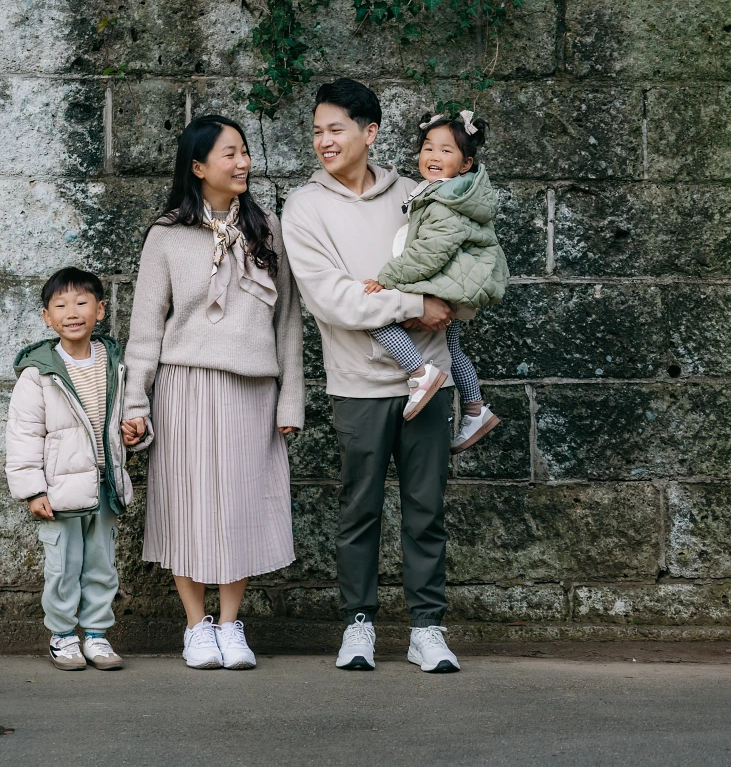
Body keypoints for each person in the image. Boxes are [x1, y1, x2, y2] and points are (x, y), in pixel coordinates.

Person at [281, 78, 462, 674]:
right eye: (316, 132)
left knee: (425, 508)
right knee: (358, 508)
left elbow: (457, 276)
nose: (324, 141)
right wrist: (412, 304)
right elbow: (334, 301)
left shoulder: (415, 195)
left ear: (370, 132)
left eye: (336, 129)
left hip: (430, 376)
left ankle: (426, 628)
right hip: (358, 384)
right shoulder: (304, 208)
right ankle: (358, 624)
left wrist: (405, 296)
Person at [121, 114, 305, 670]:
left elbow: (289, 322)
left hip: (252, 389)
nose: (242, 161)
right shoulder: (166, 236)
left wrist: (290, 399)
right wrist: (135, 401)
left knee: (241, 502)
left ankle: (231, 624)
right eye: (229, 153)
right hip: (184, 386)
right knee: (187, 501)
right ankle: (195, 626)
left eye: (245, 151)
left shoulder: (267, 229)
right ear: (198, 167)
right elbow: (145, 327)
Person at [4, 267, 150, 671]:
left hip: (105, 486)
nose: (73, 312)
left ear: (100, 310)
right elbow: (23, 435)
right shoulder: (38, 374)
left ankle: (98, 636)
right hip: (60, 493)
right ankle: (64, 636)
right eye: (61, 305)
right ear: (47, 318)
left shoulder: (117, 365)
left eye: (82, 302)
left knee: (102, 566)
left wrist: (139, 432)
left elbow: (134, 414)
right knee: (63, 567)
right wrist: (33, 490)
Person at [363, 109, 509, 453]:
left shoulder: (444, 200)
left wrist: (387, 279)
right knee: (452, 347)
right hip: (462, 283)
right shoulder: (450, 192)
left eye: (446, 151)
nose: (433, 156)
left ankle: (419, 372)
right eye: (428, 147)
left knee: (374, 315)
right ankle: (475, 410)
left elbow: (430, 252)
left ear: (465, 163)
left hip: (449, 281)